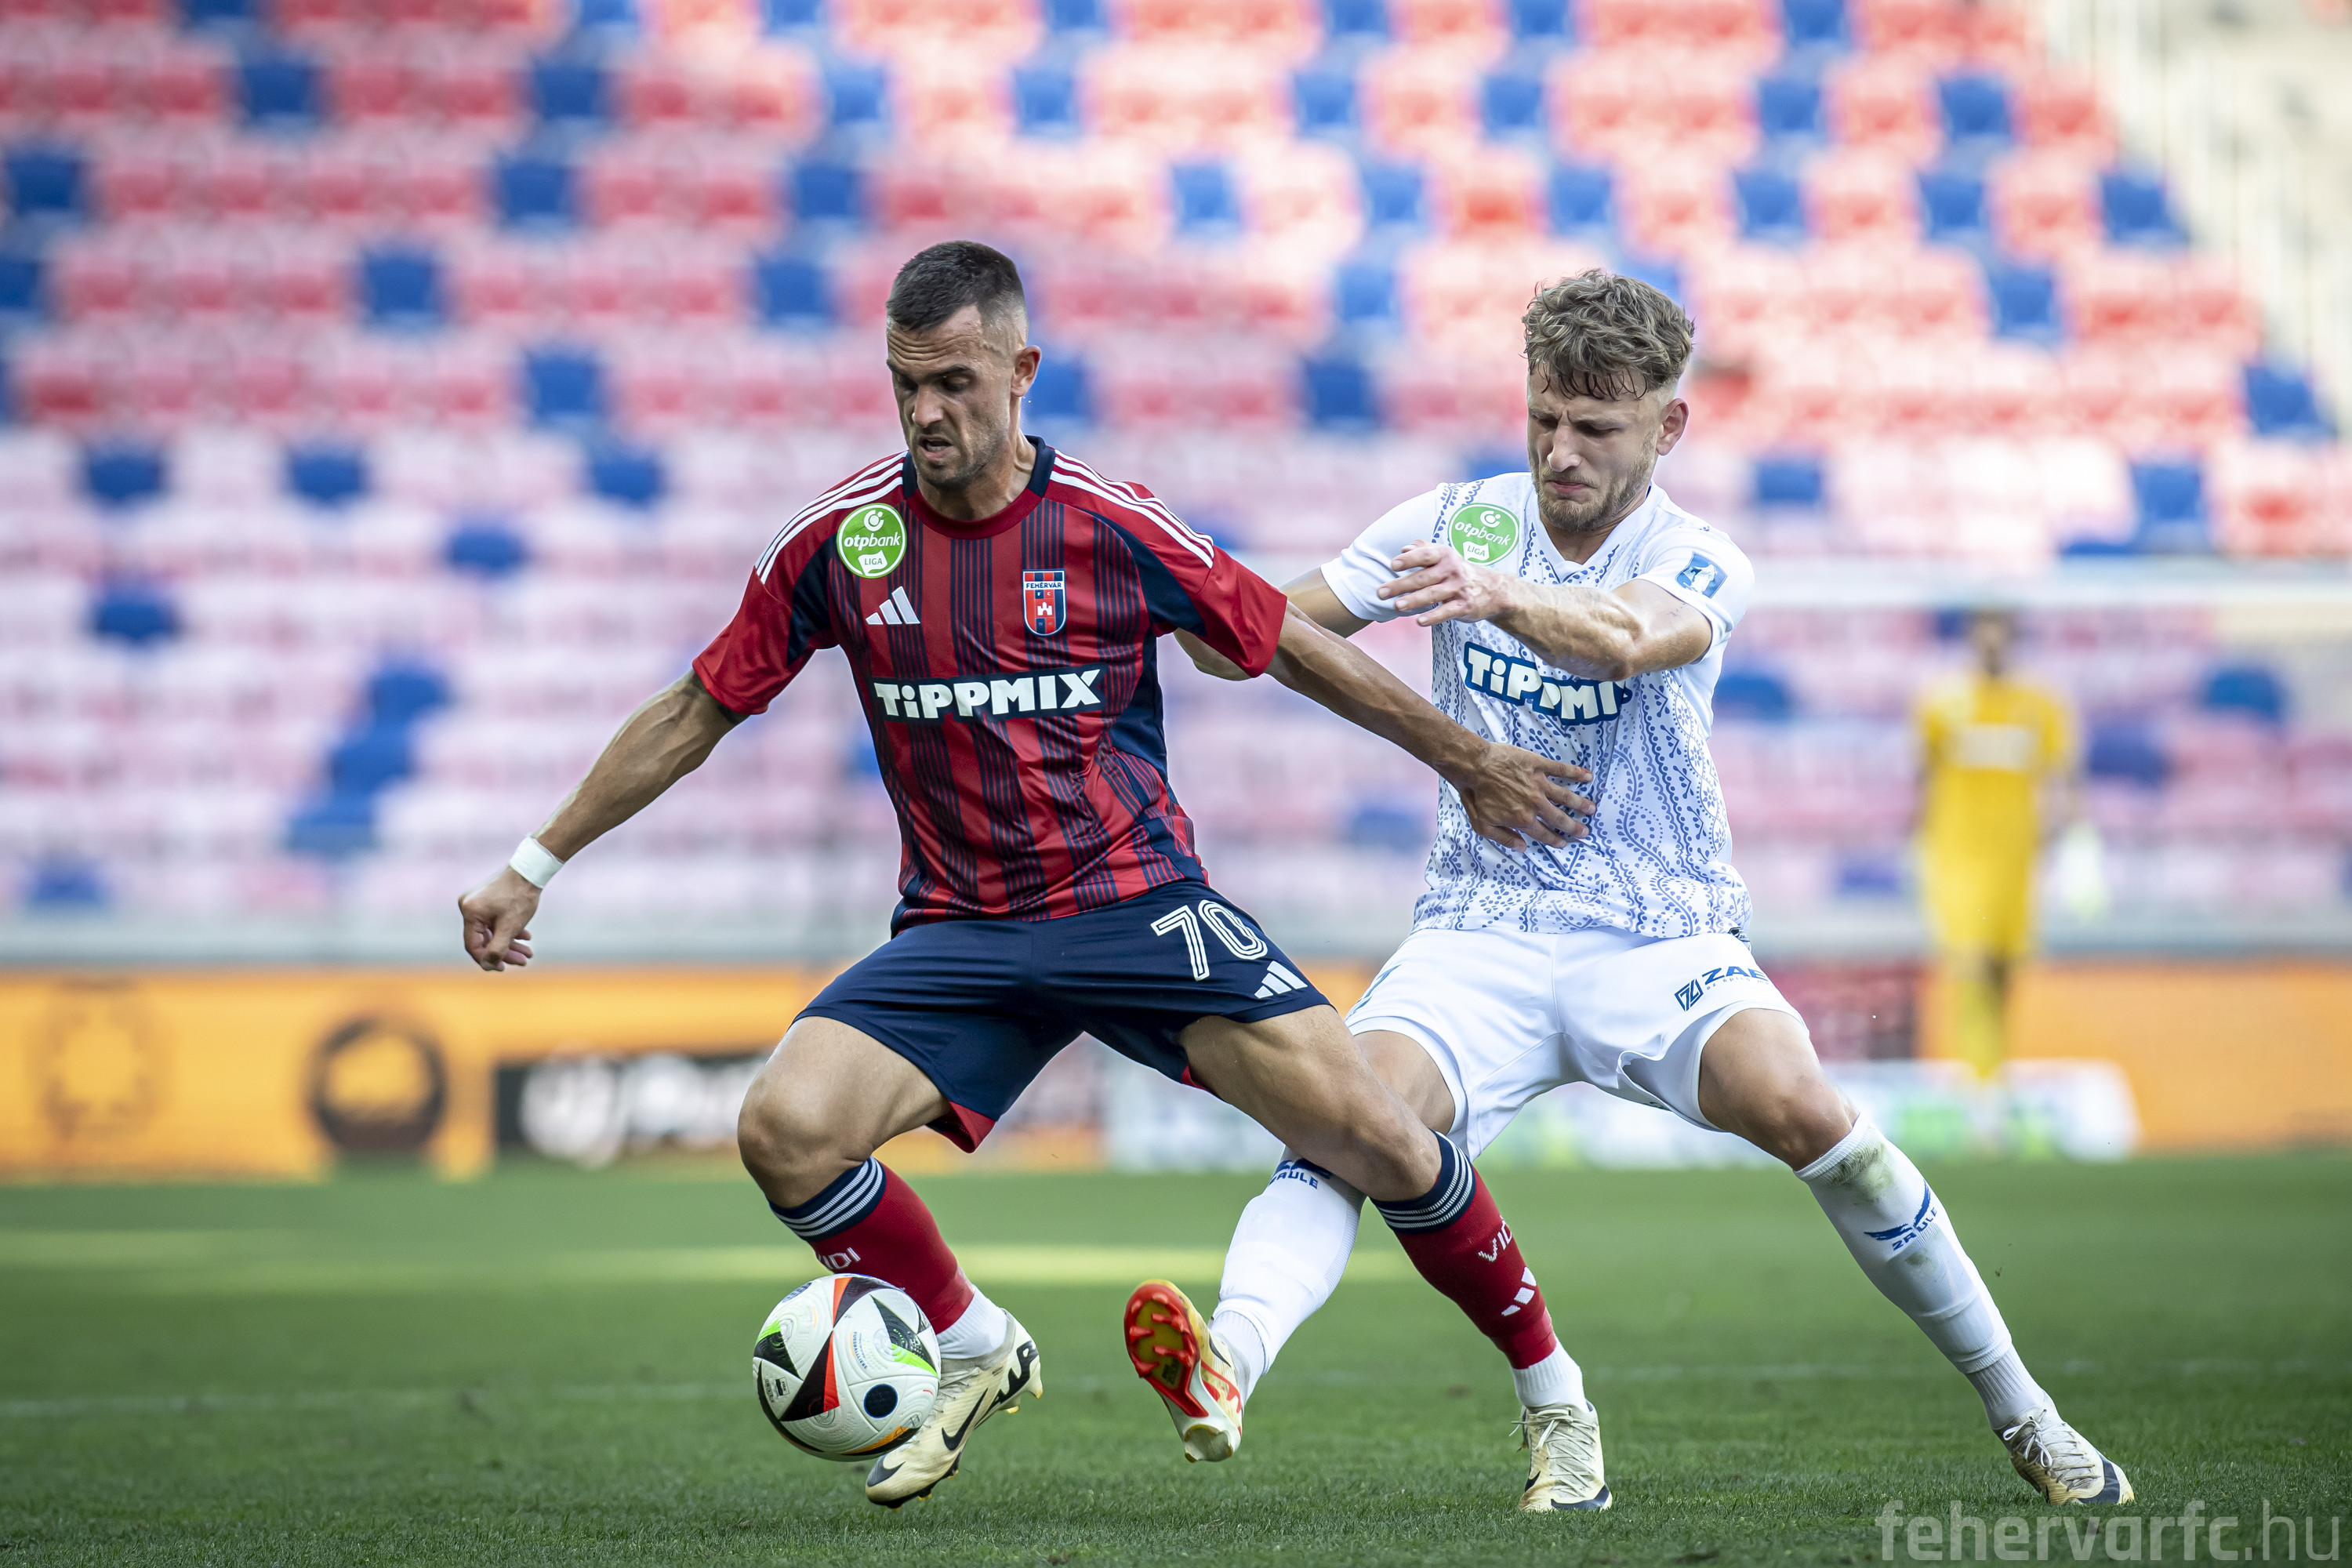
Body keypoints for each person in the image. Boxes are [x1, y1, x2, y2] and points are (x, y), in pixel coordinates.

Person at [457, 241, 1597, 1510]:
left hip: (1138, 907)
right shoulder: (841, 543)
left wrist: (1467, 758)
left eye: (953, 381)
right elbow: (695, 708)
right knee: (783, 1131)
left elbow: (1283, 643)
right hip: (961, 934)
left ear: (1021, 370)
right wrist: (532, 863)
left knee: (1383, 1137)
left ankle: (1556, 1400)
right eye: (906, 384)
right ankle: (973, 1342)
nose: (926, 412)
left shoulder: (1111, 525)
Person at [1144, 270, 2132, 1512]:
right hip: (1481, 929)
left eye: (1595, 427)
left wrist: (1501, 594)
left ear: (1668, 426)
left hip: (1656, 933)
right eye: (1543, 417)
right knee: (1348, 1129)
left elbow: (1629, 637)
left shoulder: (1697, 555)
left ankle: (2027, 1413)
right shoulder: (1452, 519)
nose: (1560, 451)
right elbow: (1246, 641)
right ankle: (1228, 1364)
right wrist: (1187, 587)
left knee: (1812, 1113)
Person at [1915, 608, 2081, 1080]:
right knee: (1972, 961)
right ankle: (1979, 1080)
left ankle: (1994, 1071)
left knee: (2005, 969)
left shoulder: (2040, 704)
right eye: (1983, 635)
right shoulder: (1942, 701)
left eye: (2000, 635)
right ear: (1971, 640)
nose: (1991, 645)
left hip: (2015, 855)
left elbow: (2062, 775)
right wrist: (1919, 841)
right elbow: (1924, 774)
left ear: (2012, 640)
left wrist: (2064, 829)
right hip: (1959, 854)